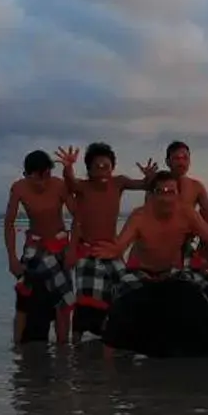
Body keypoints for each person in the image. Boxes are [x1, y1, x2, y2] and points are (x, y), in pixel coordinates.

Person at [101, 175, 208, 357]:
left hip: (173, 273)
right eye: (160, 192)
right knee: (122, 304)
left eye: (171, 192)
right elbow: (120, 245)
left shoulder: (187, 213)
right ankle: (108, 367)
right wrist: (110, 251)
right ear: (152, 195)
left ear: (178, 195)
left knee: (204, 300)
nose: (166, 197)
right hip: (140, 273)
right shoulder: (139, 216)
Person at [58, 142, 151, 341]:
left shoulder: (119, 183)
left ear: (112, 168)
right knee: (85, 299)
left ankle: (116, 334)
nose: (102, 171)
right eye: (97, 167)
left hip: (110, 249)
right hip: (87, 250)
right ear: (89, 169)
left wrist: (149, 176)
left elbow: (144, 185)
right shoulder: (83, 187)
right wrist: (67, 167)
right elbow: (70, 181)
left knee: (130, 287)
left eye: (106, 166)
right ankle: (75, 345)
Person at [4, 149, 74, 346]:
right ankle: (17, 347)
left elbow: (78, 216)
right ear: (27, 174)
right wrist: (12, 258)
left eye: (47, 175)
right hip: (34, 247)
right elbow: (9, 223)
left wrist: (72, 250)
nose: (43, 182)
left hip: (60, 244)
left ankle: (63, 348)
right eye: (38, 177)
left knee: (63, 300)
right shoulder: (19, 188)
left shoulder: (59, 185)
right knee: (24, 298)